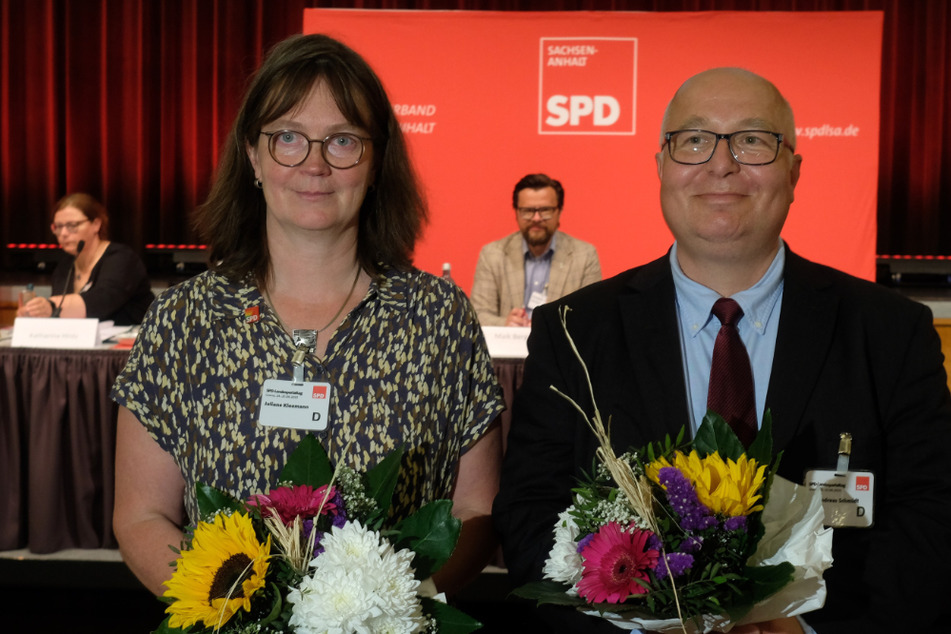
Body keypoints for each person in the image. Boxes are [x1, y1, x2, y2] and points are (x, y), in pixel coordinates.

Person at [494, 67, 951, 633]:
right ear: (660, 166)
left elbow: (932, 516)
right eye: (694, 141)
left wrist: (803, 627)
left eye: (753, 141)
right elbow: (531, 513)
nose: (721, 164)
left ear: (794, 170)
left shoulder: (889, 331)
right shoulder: (574, 331)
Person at [111, 33, 504, 599]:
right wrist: (231, 612)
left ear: (375, 161)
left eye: (342, 140)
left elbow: (476, 510)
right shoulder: (182, 321)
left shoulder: (439, 318)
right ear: (252, 154)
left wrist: (396, 610)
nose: (314, 164)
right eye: (288, 138)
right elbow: (142, 516)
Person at [470, 173, 601, 326]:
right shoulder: (492, 254)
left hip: (558, 348)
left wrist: (548, 328)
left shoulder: (584, 256)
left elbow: (592, 316)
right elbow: (478, 314)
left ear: (559, 211)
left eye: (545, 210)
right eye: (528, 210)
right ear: (516, 212)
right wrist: (505, 324)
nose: (536, 218)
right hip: (507, 348)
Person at [16, 192, 154, 325]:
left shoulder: (122, 259)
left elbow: (100, 302)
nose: (63, 233)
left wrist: (50, 307)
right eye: (58, 226)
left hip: (136, 345)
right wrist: (35, 312)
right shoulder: (64, 267)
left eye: (72, 225)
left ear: (96, 224)